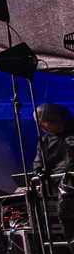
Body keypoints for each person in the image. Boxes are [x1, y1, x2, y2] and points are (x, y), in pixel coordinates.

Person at [32, 103, 74, 240]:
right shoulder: (45, 142)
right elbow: (37, 167)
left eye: (42, 123)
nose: (41, 127)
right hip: (63, 193)